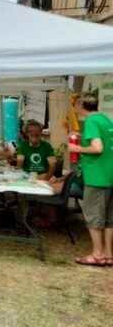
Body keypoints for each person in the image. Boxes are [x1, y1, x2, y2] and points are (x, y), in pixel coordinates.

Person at [68, 93, 113, 267]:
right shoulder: (106, 120)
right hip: (110, 175)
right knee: (109, 219)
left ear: (80, 106)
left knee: (94, 217)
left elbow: (97, 147)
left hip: (97, 177)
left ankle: (97, 254)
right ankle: (108, 254)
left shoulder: (92, 122)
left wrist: (76, 147)